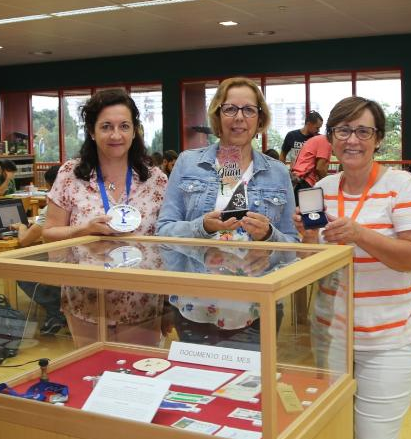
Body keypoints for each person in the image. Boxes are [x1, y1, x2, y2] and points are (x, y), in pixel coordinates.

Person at [295, 96, 411, 439]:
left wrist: (360, 234)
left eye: (363, 131)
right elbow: (313, 265)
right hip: (333, 338)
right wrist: (307, 239)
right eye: (343, 131)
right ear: (330, 139)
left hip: (388, 340)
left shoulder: (402, 186)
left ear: (378, 139)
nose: (352, 140)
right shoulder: (319, 190)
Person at [157, 76, 298, 348]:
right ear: (217, 116)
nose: (239, 118)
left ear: (260, 118)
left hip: (256, 306)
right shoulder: (188, 164)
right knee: (197, 387)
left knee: (248, 389)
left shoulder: (278, 172)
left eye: (248, 110)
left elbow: (293, 247)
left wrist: (269, 236)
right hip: (194, 305)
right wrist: (203, 227)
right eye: (230, 109)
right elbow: (163, 232)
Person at [43, 89, 168, 347]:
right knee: (91, 379)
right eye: (106, 126)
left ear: (135, 131)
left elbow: (166, 243)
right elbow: (49, 232)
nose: (115, 135)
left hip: (142, 300)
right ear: (91, 131)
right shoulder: (70, 175)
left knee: (139, 381)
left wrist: (169, 303)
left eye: (124, 126)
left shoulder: (156, 180)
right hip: (86, 299)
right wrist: (84, 231)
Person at [11, 164, 65, 335]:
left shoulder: (52, 208)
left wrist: (21, 227)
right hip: (84, 261)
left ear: (50, 187)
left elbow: (24, 241)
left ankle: (55, 311)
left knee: (17, 268)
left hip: (62, 265)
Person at [290, 133, 332, 200]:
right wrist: (328, 184)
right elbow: (320, 168)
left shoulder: (316, 139)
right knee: (309, 209)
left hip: (298, 180)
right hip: (305, 181)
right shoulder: (326, 141)